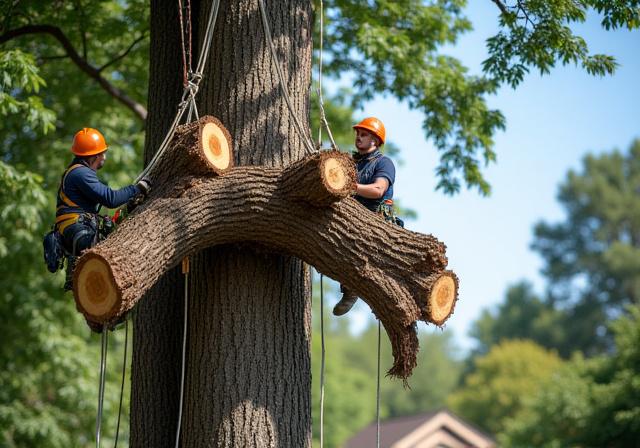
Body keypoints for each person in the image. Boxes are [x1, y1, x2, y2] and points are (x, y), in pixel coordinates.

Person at [54, 127, 150, 291]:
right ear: (93, 155)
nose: (104, 157)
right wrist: (137, 189)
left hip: (73, 232)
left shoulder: (74, 172)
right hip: (79, 231)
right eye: (102, 153)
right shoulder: (81, 173)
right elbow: (110, 199)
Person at [333, 117, 401, 316]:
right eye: (358, 134)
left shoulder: (384, 163)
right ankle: (349, 286)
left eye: (363, 135)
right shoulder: (352, 163)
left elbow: (378, 189)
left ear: (375, 140)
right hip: (352, 217)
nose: (358, 138)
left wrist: (351, 186)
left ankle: (354, 288)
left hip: (375, 218)